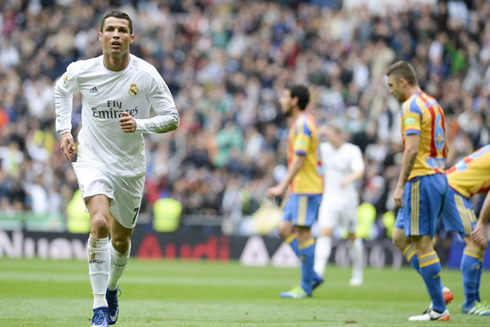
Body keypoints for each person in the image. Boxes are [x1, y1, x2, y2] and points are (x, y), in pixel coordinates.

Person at [54, 10, 179, 327]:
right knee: (98, 223)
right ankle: (98, 309)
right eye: (109, 29)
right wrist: (65, 131)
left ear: (131, 38)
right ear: (100, 36)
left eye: (122, 30)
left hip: (129, 168)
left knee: (121, 242)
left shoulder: (146, 74)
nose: (115, 35)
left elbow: (172, 117)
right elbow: (62, 89)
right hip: (93, 157)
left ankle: (111, 290)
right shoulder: (84, 70)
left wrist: (140, 124)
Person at [387, 61, 450, 321]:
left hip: (421, 179)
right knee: (400, 237)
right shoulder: (433, 104)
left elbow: (411, 149)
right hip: (436, 175)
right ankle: (439, 290)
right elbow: (446, 146)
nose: (390, 91)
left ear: (403, 82)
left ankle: (438, 308)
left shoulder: (410, 105)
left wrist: (400, 183)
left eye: (391, 85)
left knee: (423, 244)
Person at [266, 84, 323, 298]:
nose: (281, 100)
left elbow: (299, 159)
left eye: (284, 96)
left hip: (307, 188)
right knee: (284, 228)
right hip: (299, 187)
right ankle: (313, 275)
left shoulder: (304, 124)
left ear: (295, 100)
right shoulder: (299, 123)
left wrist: (282, 186)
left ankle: (306, 286)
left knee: (303, 233)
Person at [314, 122, 365, 286]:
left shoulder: (351, 150)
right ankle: (318, 273)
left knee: (351, 236)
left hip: (347, 200)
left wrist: (347, 179)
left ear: (339, 134)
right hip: (329, 198)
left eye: (330, 135)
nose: (327, 138)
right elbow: (309, 148)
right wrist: (318, 133)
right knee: (324, 232)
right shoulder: (324, 148)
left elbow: (359, 170)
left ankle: (357, 271)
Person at [441, 145, 490, 316]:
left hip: (450, 186)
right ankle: (470, 302)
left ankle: (474, 301)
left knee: (479, 243)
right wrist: (482, 222)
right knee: (476, 243)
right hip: (453, 190)